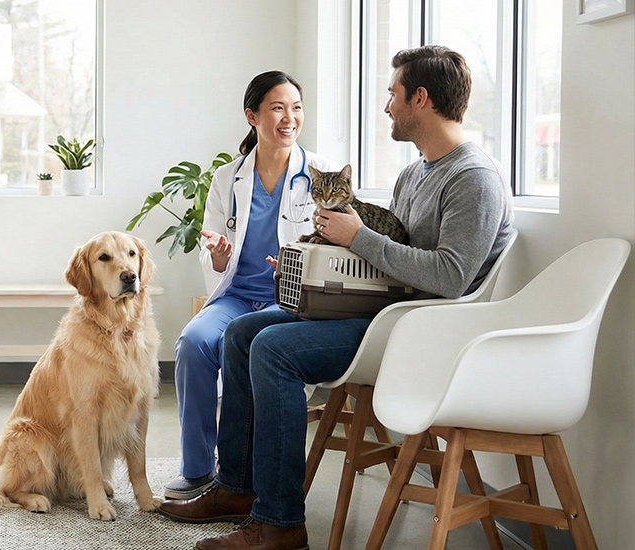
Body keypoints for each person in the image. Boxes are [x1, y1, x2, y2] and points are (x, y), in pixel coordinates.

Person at [159, 45, 515, 550]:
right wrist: (317, 263)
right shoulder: (417, 172)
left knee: (273, 349)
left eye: (393, 94)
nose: (386, 106)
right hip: (386, 312)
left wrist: (356, 238)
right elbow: (391, 259)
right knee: (240, 332)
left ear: (420, 98)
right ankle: (238, 488)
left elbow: (451, 278)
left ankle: (280, 523)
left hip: (419, 332)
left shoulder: (472, 178)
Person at [164, 71, 342, 501]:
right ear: (252, 116)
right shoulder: (228, 178)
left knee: (241, 346)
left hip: (288, 299)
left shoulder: (321, 174)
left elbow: (338, 249)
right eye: (278, 108)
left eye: (296, 107)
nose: (289, 118)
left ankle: (242, 473)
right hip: (237, 294)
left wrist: (301, 262)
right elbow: (211, 248)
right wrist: (219, 256)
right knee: (194, 342)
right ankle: (198, 469)